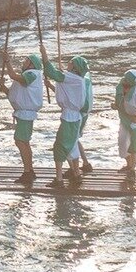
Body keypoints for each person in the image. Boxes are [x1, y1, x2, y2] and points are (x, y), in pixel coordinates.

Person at [43, 53, 93, 186]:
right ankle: (76, 174)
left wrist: (44, 53)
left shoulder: (73, 78)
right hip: (74, 117)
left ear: (75, 67)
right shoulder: (77, 79)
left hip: (69, 118)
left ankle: (59, 179)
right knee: (72, 146)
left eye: (71, 62)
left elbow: (50, 72)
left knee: (59, 147)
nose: (68, 63)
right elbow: (67, 93)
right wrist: (52, 85)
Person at [1, 53, 46, 183]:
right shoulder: (28, 75)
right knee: (24, 142)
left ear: (32, 64)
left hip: (26, 114)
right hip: (23, 113)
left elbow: (13, 76)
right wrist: (4, 88)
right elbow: (15, 95)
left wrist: (7, 61)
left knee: (20, 141)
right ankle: (29, 170)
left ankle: (27, 172)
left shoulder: (32, 74)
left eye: (26, 60)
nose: (23, 62)